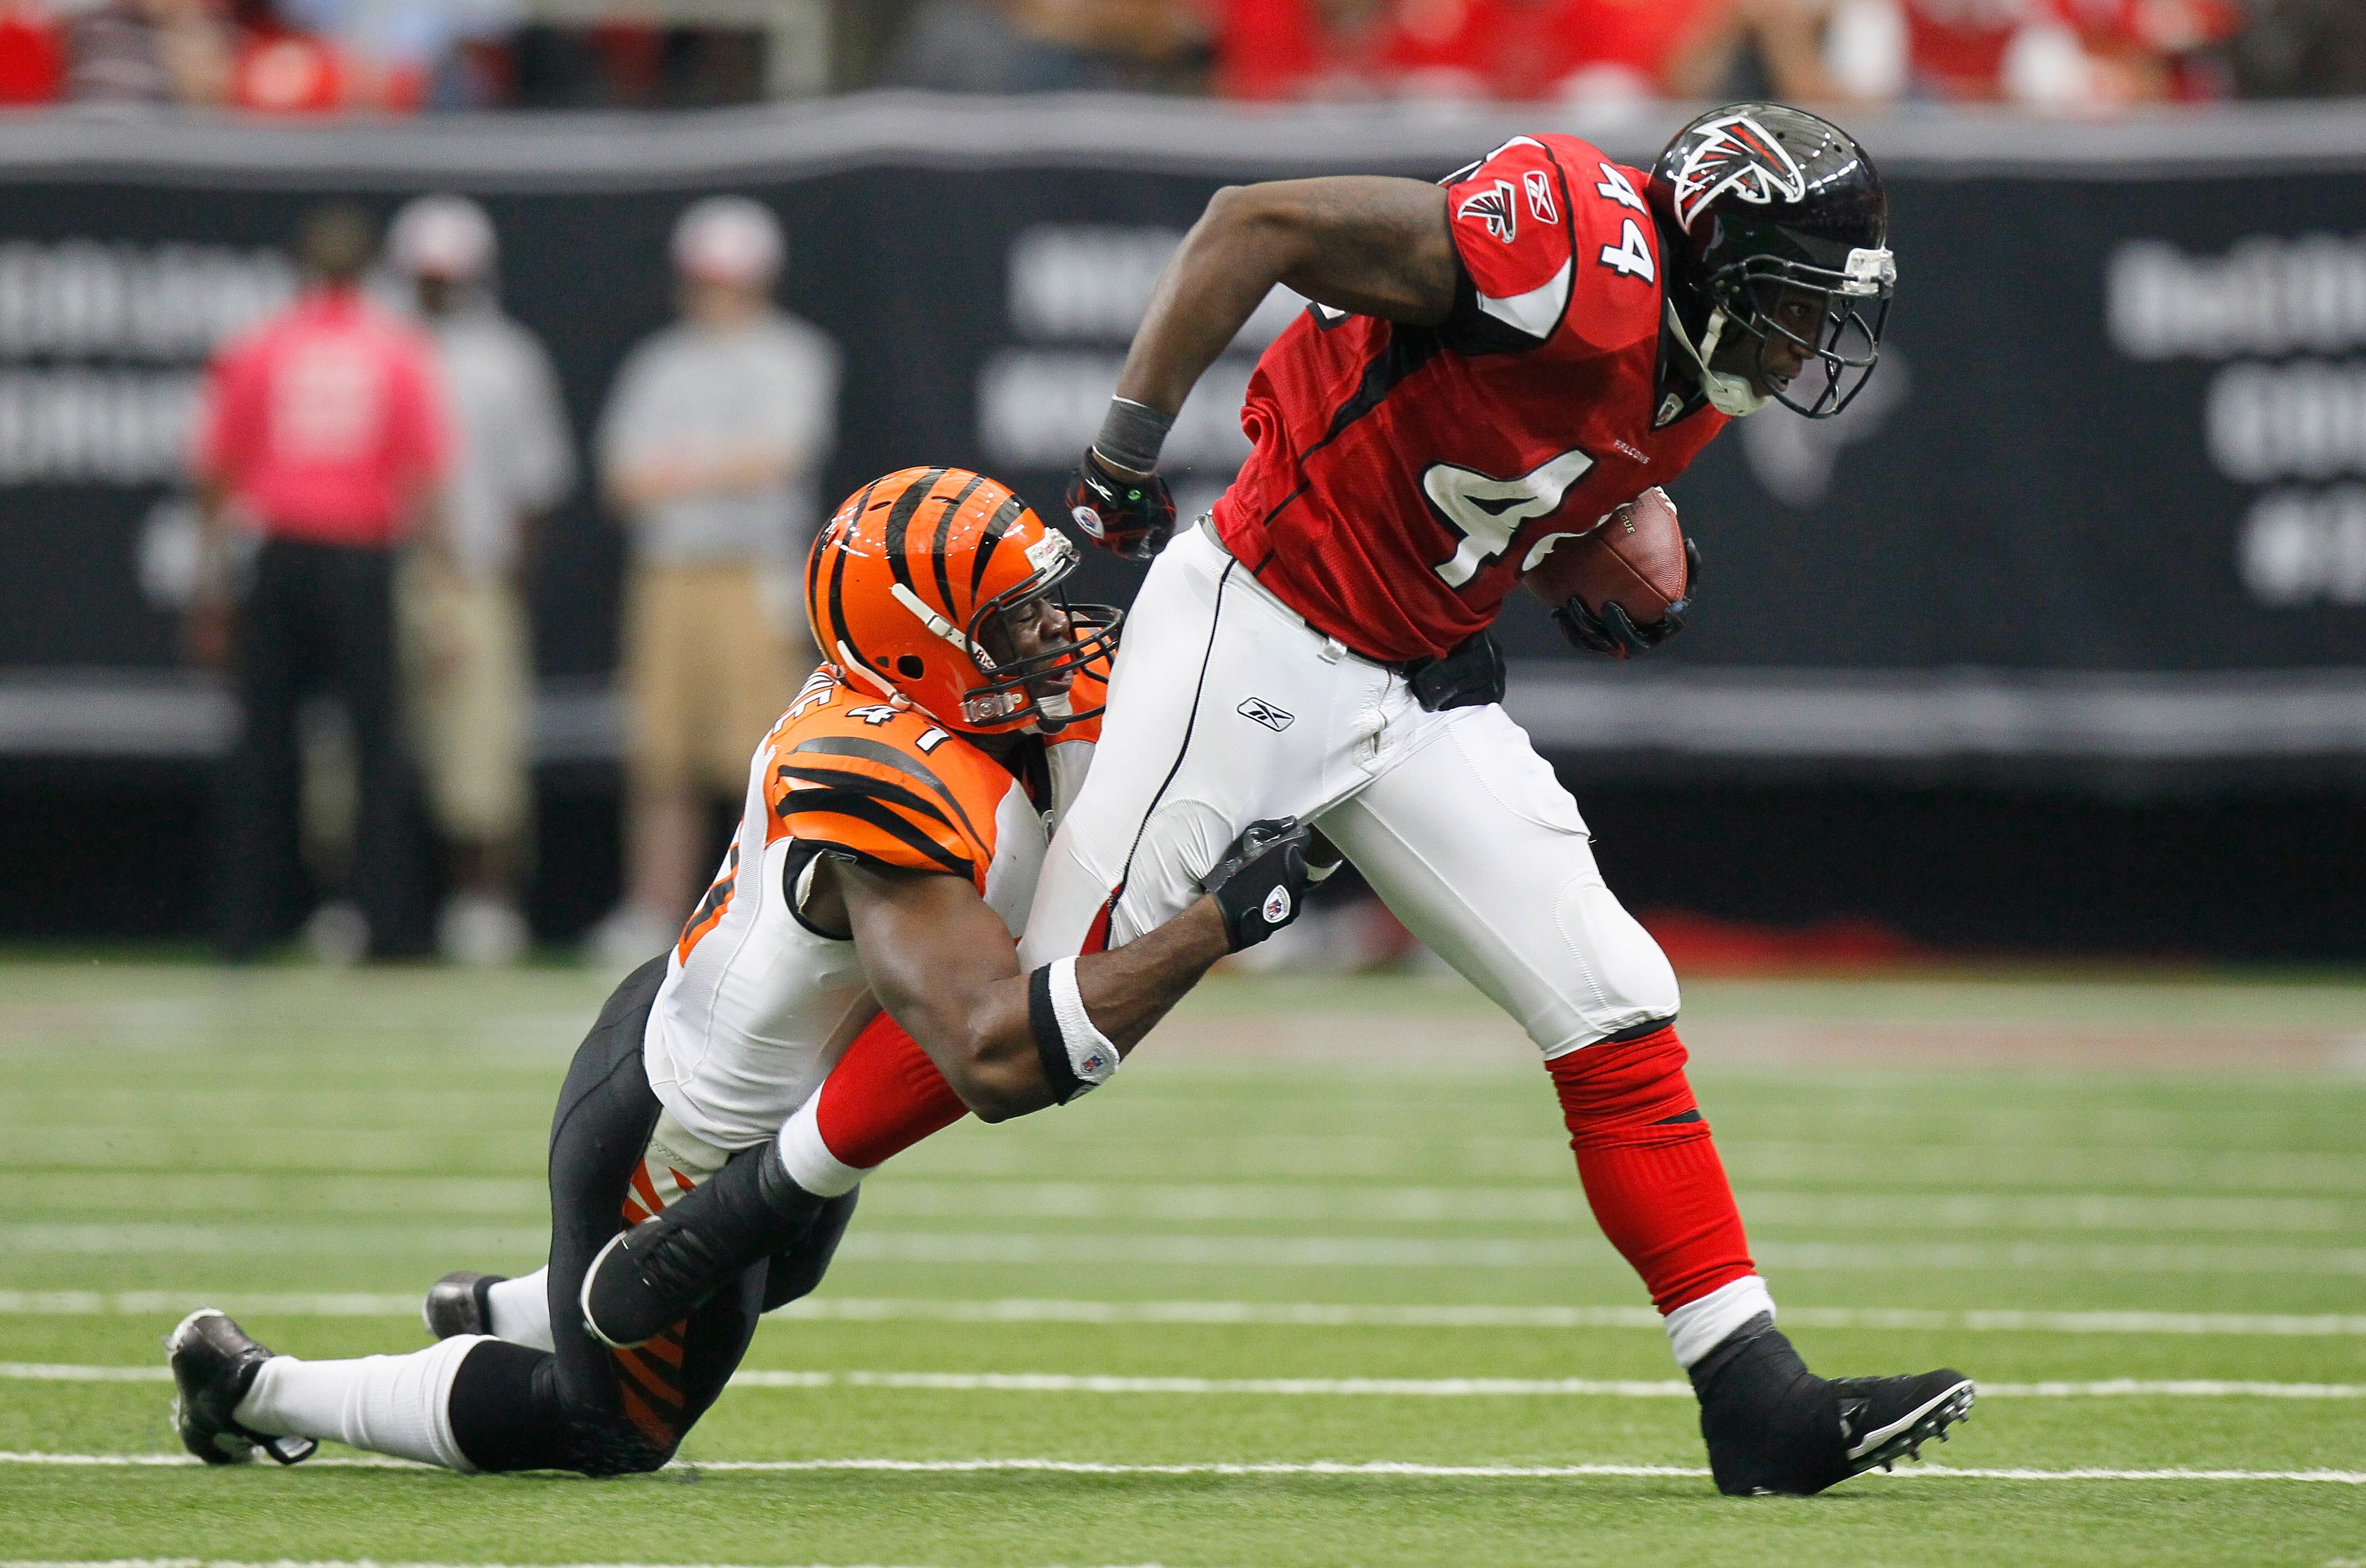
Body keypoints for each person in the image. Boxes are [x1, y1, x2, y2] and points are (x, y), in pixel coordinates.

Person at [507, 103, 1973, 1503]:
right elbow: (1248, 223)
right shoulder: (1569, 246)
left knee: (1611, 991)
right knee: (1041, 1024)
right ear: (1708, 251)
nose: (1800, 340)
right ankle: (744, 1206)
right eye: (1787, 298)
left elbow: (1509, 463)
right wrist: (1122, 458)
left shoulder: (1680, 365)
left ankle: (1751, 1395)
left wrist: (1591, 536)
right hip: (1263, 625)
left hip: (1414, 680)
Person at [165, 467, 1320, 1478]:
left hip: (719, 1058)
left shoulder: (929, 703)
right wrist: (1218, 922)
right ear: (918, 637)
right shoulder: (880, 791)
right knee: (608, 1433)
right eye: (1008, 621)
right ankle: (254, 1390)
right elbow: (991, 1052)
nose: (1050, 635)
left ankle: (510, 1307)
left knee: (792, 1265)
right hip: (679, 1152)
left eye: (1034, 607)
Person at [189, 202, 447, 962]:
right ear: (369, 269)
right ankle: (388, 928)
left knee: (263, 748)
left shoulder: (262, 346)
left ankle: (245, 927)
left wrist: (211, 582)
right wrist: (432, 587)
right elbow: (423, 478)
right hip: (361, 558)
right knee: (375, 748)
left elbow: (215, 472)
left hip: (282, 553)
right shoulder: (394, 350)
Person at [589, 195, 841, 969]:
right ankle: (652, 907)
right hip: (669, 573)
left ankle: (760, 905)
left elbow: (781, 457)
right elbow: (619, 478)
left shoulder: (794, 354)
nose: (715, 293)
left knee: (755, 752)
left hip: (748, 573)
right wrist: (714, 472)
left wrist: (680, 473)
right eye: (706, 278)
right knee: (661, 751)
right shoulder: (660, 361)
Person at [387, 194, 577, 966]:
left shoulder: (507, 359)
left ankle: (484, 904)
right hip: (381, 568)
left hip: (472, 571)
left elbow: (537, 487)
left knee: (482, 752)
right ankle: (366, 900)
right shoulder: (379, 347)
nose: (438, 289)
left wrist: (508, 581)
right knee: (368, 747)